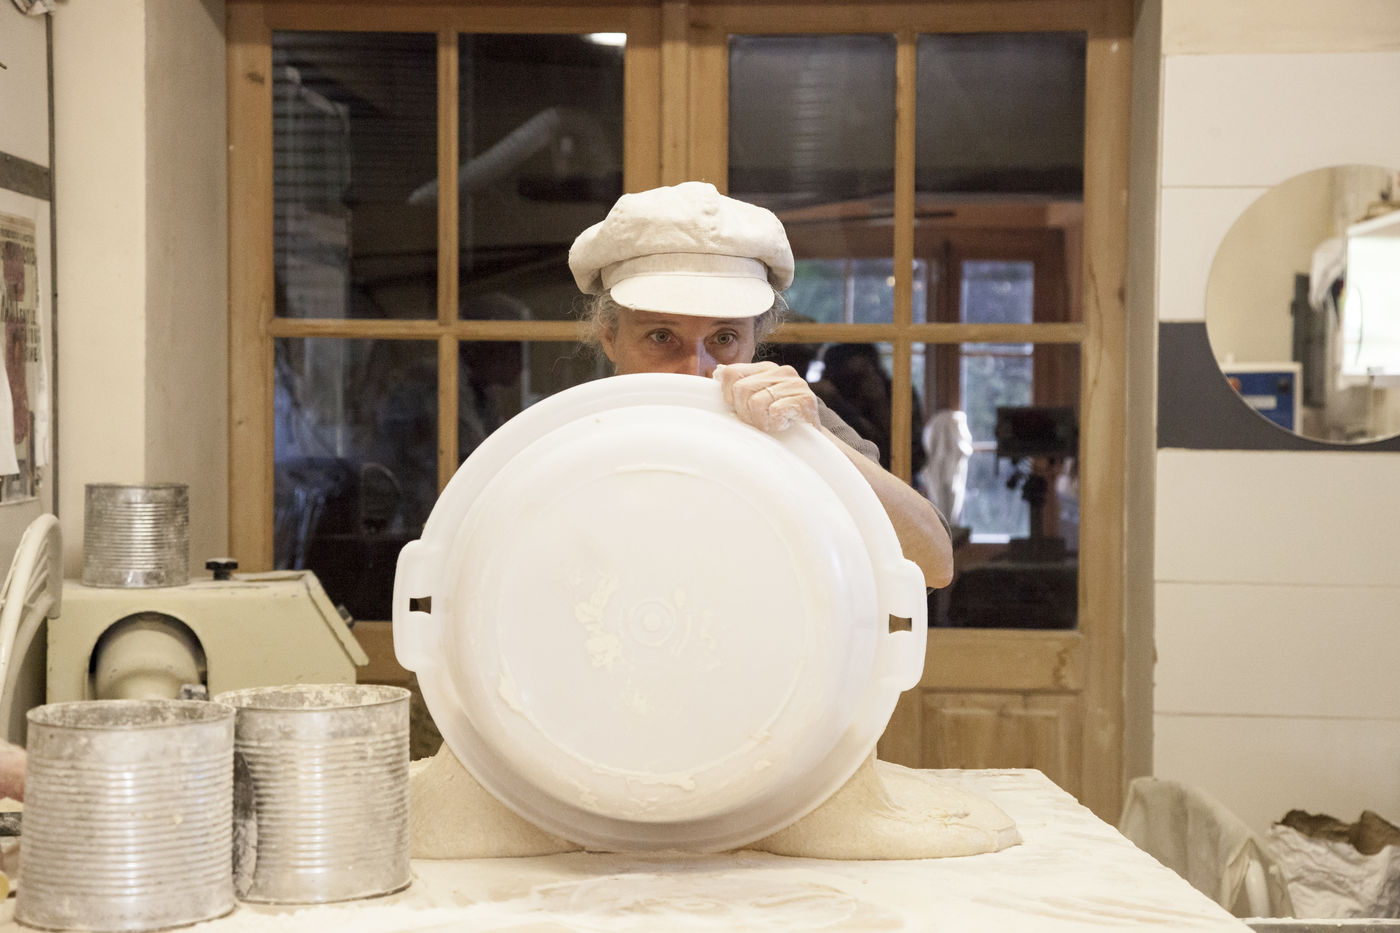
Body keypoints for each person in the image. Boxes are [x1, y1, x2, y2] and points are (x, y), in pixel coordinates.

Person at [568, 181, 953, 588]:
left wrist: (812, 439)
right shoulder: (563, 435)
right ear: (610, 336)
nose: (695, 369)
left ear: (756, 339)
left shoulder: (794, 422)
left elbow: (933, 563)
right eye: (662, 336)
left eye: (724, 338)